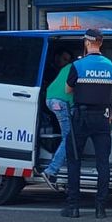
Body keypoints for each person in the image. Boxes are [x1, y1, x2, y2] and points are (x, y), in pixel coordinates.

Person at [64, 28, 112, 219]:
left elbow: (68, 89)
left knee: (74, 160)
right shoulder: (111, 66)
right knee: (103, 163)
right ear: (100, 43)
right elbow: (108, 92)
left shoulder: (78, 65)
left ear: (87, 43)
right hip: (102, 118)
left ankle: (73, 207)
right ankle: (100, 208)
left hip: (81, 118)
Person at [38, 50, 76, 192]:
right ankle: (51, 171)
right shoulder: (81, 69)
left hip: (51, 98)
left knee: (70, 135)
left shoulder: (70, 67)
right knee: (69, 138)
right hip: (62, 102)